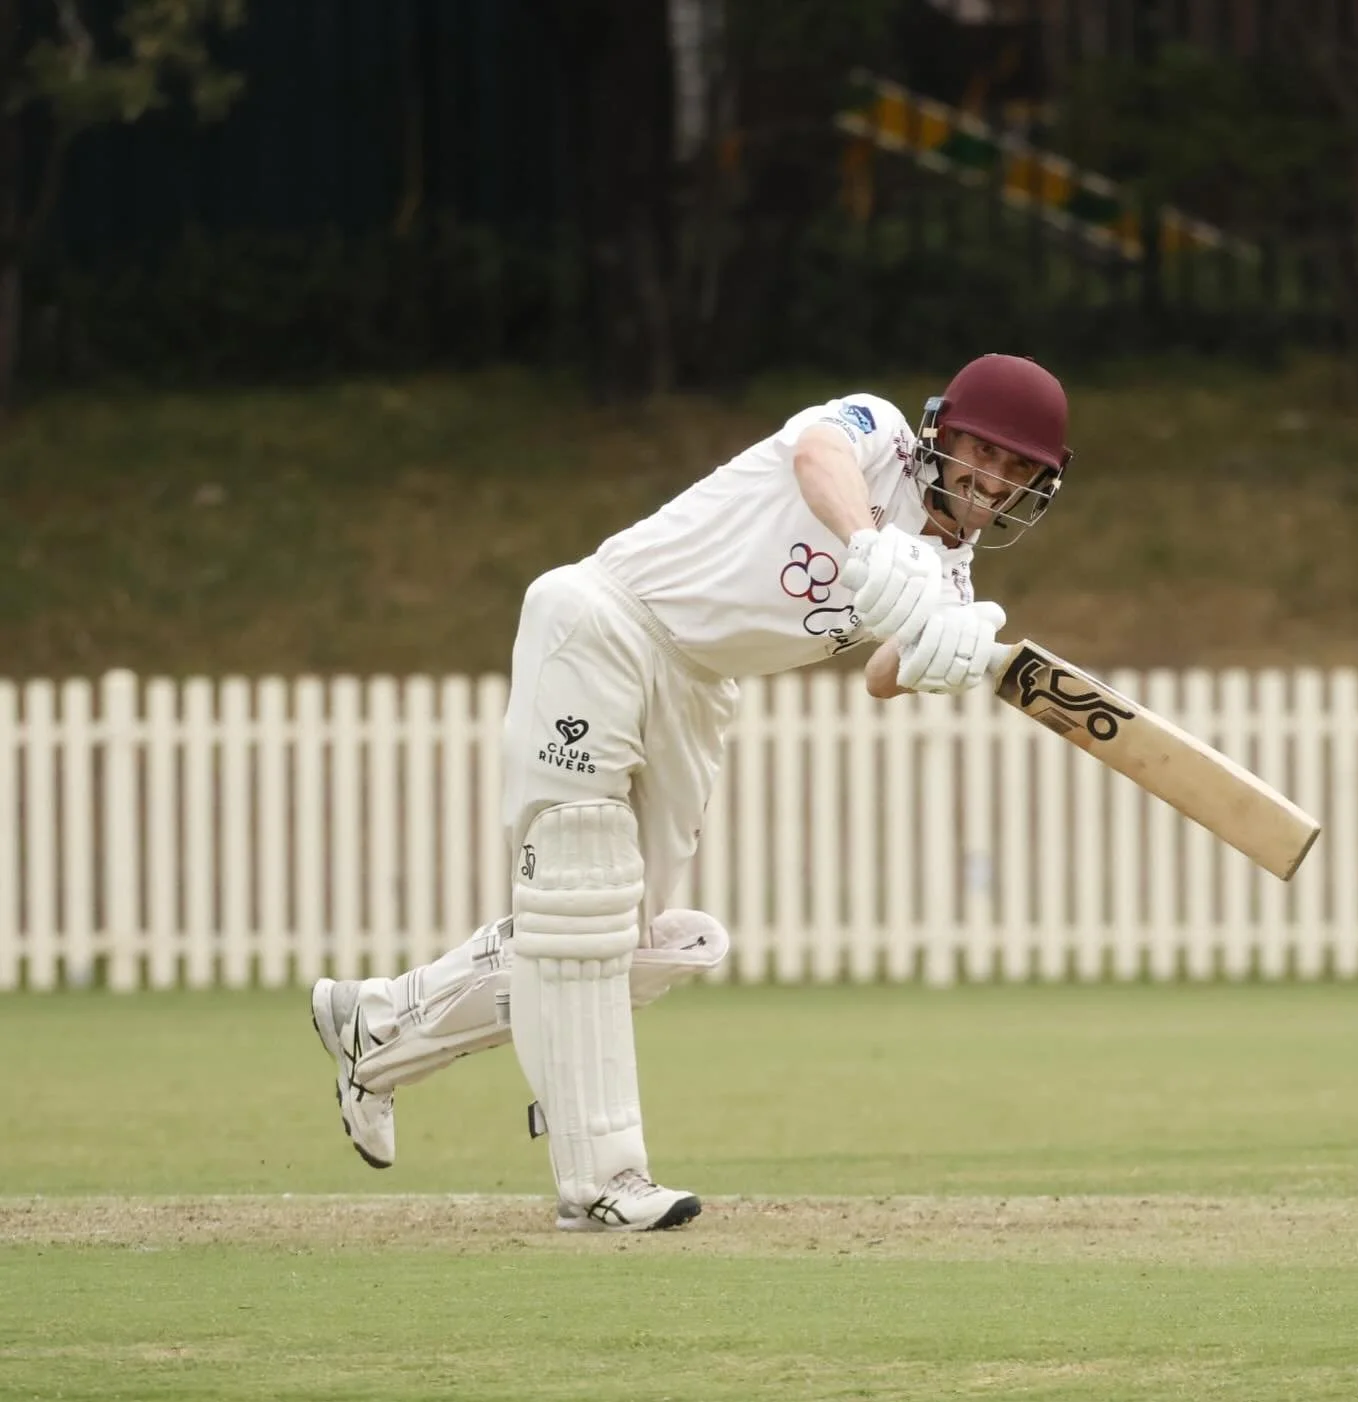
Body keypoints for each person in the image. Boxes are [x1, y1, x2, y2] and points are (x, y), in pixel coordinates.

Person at [309, 353, 1073, 1232]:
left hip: (701, 688)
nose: (994, 480)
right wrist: (869, 542)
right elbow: (814, 456)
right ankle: (602, 1181)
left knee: (647, 947)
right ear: (942, 433)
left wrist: (952, 654)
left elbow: (883, 675)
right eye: (985, 451)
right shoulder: (875, 434)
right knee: (582, 900)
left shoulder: (950, 575)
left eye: (1020, 471)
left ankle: (377, 1027)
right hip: (610, 619)